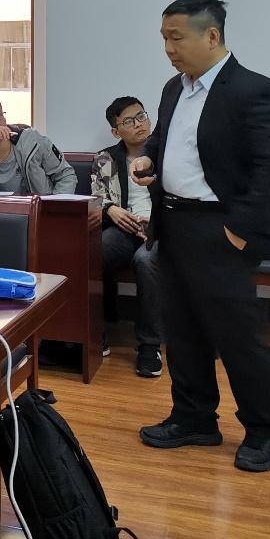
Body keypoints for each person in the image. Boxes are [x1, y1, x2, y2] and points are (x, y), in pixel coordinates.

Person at [131, 0, 270, 473]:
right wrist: (148, 157)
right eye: (164, 38)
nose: (168, 48)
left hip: (220, 228)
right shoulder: (173, 89)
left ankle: (265, 429)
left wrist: (237, 232)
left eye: (176, 38)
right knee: (181, 330)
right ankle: (194, 418)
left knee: (236, 335)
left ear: (212, 35)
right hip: (173, 222)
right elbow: (163, 138)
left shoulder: (255, 91)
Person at [92, 96, 163, 378]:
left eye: (141, 116)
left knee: (146, 262)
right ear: (115, 131)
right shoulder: (106, 158)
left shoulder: (165, 153)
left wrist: (155, 222)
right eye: (129, 121)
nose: (139, 124)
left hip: (160, 229)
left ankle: (150, 345)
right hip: (124, 228)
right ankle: (93, 333)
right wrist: (111, 210)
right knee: (93, 252)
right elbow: (97, 197)